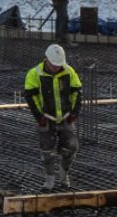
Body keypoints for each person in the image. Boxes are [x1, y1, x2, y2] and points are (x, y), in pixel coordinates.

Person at [25, 43, 82, 191]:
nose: (56, 67)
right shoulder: (35, 73)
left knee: (71, 147)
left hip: (66, 117)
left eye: (58, 65)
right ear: (47, 59)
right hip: (46, 118)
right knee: (47, 150)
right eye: (53, 64)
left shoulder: (69, 72)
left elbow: (77, 92)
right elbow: (31, 98)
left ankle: (64, 175)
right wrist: (39, 116)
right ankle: (49, 180)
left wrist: (74, 112)